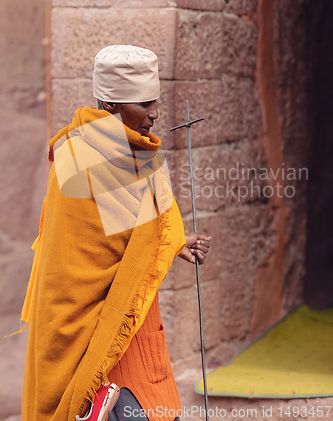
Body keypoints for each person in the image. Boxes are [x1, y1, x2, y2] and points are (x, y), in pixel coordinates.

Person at [21, 45, 211, 421]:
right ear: (111, 105)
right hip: (87, 332)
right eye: (143, 104)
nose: (154, 114)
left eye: (154, 102)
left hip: (131, 324)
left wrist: (174, 242)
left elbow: (133, 235)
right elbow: (75, 256)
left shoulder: (129, 155)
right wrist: (164, 236)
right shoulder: (83, 157)